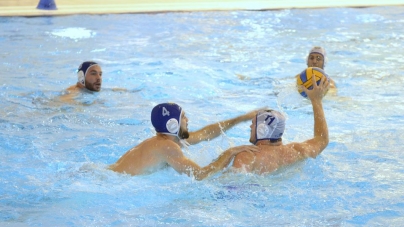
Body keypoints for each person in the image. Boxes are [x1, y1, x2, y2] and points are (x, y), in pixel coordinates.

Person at [109, 103, 260, 180]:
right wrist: (230, 152)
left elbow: (206, 133)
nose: (187, 120)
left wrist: (242, 118)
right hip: (111, 181)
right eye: (184, 117)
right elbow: (200, 176)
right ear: (172, 124)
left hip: (107, 174)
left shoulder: (166, 140)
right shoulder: (167, 146)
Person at [232, 75, 329, 174]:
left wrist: (227, 154)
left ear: (262, 129)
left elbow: (233, 185)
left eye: (253, 124)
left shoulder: (247, 156)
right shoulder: (297, 151)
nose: (250, 127)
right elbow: (322, 139)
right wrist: (316, 101)